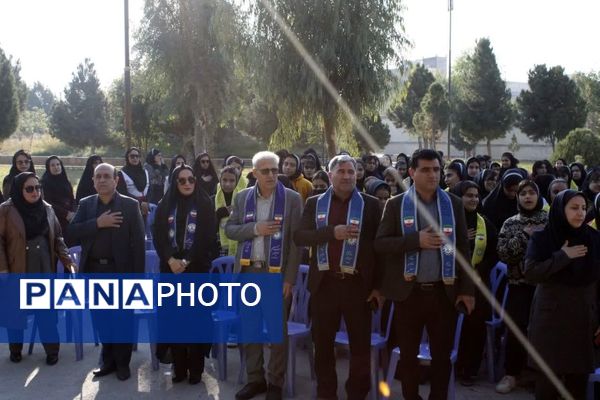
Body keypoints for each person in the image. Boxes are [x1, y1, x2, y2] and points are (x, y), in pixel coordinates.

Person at [375, 149, 475, 400]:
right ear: (411, 172)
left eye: (437, 169)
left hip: (444, 292)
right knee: (408, 357)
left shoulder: (452, 203)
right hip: (409, 293)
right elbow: (381, 244)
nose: (433, 175)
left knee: (441, 357)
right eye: (426, 169)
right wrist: (414, 240)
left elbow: (463, 247)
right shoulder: (396, 204)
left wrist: (467, 290)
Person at [294, 154, 381, 400]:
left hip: (358, 285)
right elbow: (300, 237)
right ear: (330, 175)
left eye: (351, 171)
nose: (346, 176)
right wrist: (332, 232)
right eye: (341, 171)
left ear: (357, 175)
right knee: (323, 345)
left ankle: (357, 392)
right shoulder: (315, 203)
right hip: (325, 284)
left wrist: (378, 287)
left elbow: (380, 249)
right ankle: (326, 393)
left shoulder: (371, 204)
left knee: (360, 346)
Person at [225, 151, 302, 400]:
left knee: (277, 333)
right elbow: (231, 230)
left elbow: (296, 243)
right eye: (265, 171)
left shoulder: (291, 199)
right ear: (254, 173)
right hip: (248, 272)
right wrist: (255, 229)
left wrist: (290, 279)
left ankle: (275, 383)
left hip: (277, 275)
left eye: (274, 170)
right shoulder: (241, 198)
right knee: (250, 330)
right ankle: (255, 379)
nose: (271, 175)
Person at [68, 163, 145, 381]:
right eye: (98, 176)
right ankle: (108, 361)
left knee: (122, 319)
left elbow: (138, 245)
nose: (102, 180)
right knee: (101, 319)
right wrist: (98, 223)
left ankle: (123, 363)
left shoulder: (130, 206)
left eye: (106, 176)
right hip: (94, 271)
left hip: (121, 272)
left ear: (116, 180)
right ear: (92, 181)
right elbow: (71, 233)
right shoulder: (86, 204)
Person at [524, 190, 600, 399]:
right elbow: (531, 273)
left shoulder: (594, 239)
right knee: (547, 384)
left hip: (584, 319)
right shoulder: (543, 238)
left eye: (584, 208)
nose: (580, 213)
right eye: (574, 208)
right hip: (551, 321)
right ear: (560, 210)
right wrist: (563, 256)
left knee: (577, 384)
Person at [0, 172, 76, 365]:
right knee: (15, 311)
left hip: (43, 268)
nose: (35, 192)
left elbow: (58, 237)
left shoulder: (47, 209)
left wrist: (67, 260)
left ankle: (52, 351)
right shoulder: (6, 210)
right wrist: (3, 269)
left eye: (38, 188)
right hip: (16, 268)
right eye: (30, 189)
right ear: (19, 190)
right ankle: (15, 350)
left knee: (47, 313)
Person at [152, 164, 217, 384]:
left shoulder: (205, 203)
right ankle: (179, 368)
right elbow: (158, 235)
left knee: (196, 320)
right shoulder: (165, 205)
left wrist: (186, 261)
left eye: (191, 179)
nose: (187, 183)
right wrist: (171, 260)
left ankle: (196, 369)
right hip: (171, 271)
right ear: (175, 183)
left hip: (196, 270)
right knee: (175, 320)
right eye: (182, 180)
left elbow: (207, 238)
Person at [495, 180, 548, 394]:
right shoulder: (511, 223)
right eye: (523, 193)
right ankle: (512, 374)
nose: (527, 197)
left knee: (543, 332)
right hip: (518, 286)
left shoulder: (549, 221)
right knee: (516, 330)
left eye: (531, 193)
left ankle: (539, 377)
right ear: (517, 197)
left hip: (544, 287)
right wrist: (525, 235)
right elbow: (504, 253)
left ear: (538, 196)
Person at [450, 181, 499, 386]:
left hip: (477, 282)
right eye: (468, 195)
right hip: (450, 281)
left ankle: (469, 369)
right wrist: (457, 239)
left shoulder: (483, 223)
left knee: (475, 324)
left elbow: (495, 252)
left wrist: (481, 267)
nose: (473, 199)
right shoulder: (447, 220)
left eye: (476, 196)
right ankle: (450, 365)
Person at [41, 156, 76, 247]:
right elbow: (47, 202)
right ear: (48, 168)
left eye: (58, 164)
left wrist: (73, 212)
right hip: (55, 220)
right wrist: (66, 214)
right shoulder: (45, 183)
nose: (56, 167)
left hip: (70, 219)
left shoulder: (65, 181)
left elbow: (72, 198)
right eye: (52, 165)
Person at [117, 147, 150, 219]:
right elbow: (122, 192)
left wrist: (147, 202)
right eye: (132, 156)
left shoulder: (145, 172)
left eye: (137, 156)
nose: (135, 158)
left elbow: (150, 188)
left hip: (146, 207)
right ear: (127, 158)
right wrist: (140, 203)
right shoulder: (121, 173)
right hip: (130, 207)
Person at [214, 166, 240, 256]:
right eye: (224, 180)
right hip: (219, 244)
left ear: (237, 181)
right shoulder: (213, 199)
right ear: (220, 180)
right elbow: (208, 226)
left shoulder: (242, 199)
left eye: (232, 180)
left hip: (239, 243)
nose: (227, 184)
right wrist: (219, 214)